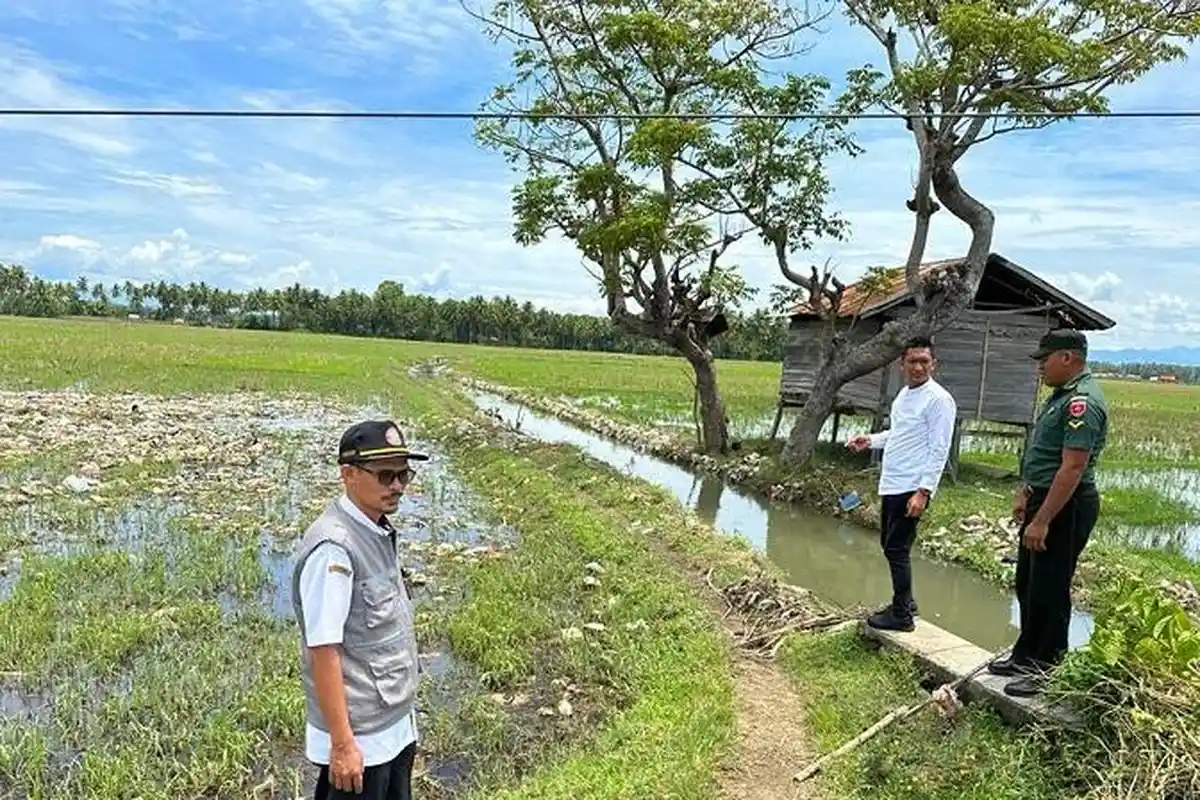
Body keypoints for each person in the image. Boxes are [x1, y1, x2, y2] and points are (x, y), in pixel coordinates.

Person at [290, 419, 429, 799]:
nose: (397, 486)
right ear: (348, 474)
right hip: (361, 738)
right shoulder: (334, 548)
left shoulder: (376, 530)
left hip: (393, 725)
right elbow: (324, 649)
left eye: (403, 474)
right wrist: (342, 745)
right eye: (386, 475)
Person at [988, 328, 1107, 697]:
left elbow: (1071, 468)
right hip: (1044, 498)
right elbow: (1044, 454)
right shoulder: (1060, 397)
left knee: (1051, 587)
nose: (1040, 366)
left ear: (1068, 357)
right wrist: (1025, 492)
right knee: (1029, 582)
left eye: (1045, 359)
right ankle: (1026, 655)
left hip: (1066, 506)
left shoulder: (1082, 403)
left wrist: (1043, 520)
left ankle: (1047, 670)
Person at [848, 335, 957, 633]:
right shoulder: (905, 395)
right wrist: (869, 440)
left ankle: (902, 616)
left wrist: (923, 492)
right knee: (890, 544)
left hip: (911, 486)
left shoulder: (939, 400)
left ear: (934, 364)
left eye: (924, 361)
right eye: (913, 361)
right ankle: (906, 603)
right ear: (902, 365)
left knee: (896, 549)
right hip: (893, 483)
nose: (918, 367)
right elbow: (898, 434)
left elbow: (939, 448)